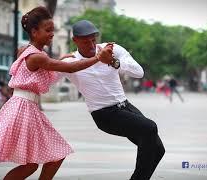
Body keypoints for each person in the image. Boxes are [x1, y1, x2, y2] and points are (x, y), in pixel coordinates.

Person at [0, 7, 113, 180]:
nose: (52, 34)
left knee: (36, 163)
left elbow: (50, 69)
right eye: (48, 30)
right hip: (23, 109)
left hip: (23, 107)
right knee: (49, 158)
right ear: (34, 32)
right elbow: (70, 68)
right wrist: (97, 58)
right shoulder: (37, 57)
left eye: (53, 30)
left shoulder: (26, 50)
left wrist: (63, 58)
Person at [60, 20, 165, 180]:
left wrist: (113, 62)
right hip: (105, 114)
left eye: (93, 39)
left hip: (126, 107)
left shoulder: (112, 49)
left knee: (157, 149)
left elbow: (139, 72)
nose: (91, 44)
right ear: (75, 40)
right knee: (150, 127)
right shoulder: (70, 62)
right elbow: (46, 76)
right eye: (85, 41)